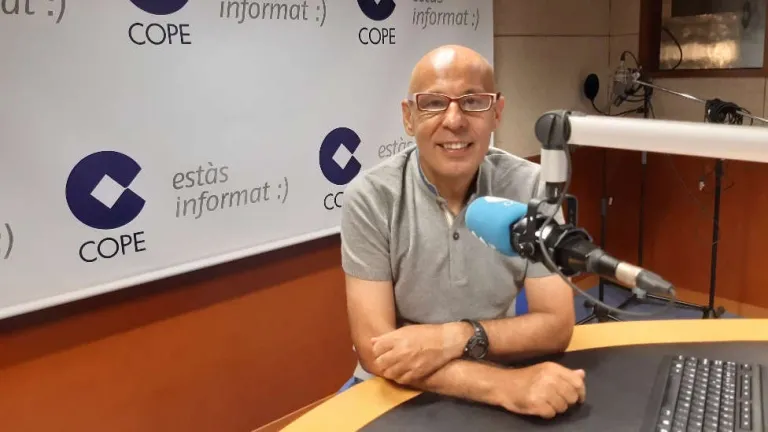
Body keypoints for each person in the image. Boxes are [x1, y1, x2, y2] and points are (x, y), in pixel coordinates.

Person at [339, 44, 585, 419]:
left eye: (473, 102)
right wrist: (504, 386)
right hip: (397, 386)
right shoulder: (370, 198)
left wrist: (454, 337)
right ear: (409, 117)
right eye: (434, 103)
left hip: (489, 362)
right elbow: (376, 349)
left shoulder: (532, 187)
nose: (454, 120)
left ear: (497, 112)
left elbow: (556, 325)